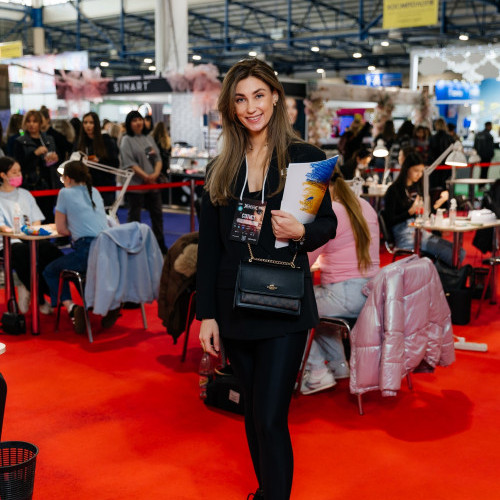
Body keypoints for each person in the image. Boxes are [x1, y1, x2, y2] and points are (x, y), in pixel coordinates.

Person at [196, 58, 337, 500]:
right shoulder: (221, 168)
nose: (251, 107)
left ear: (276, 97)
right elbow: (209, 248)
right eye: (240, 99)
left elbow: (328, 225)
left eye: (258, 95)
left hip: (284, 304)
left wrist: (302, 233)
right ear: (230, 107)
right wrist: (207, 315)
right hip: (234, 304)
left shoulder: (305, 160)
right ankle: (265, 492)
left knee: (272, 417)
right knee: (254, 415)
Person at [302, 167, 380, 394]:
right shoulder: (364, 205)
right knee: (316, 306)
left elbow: (306, 258)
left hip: (344, 295)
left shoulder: (332, 211)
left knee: (293, 307)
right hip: (370, 294)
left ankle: (317, 371)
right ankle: (339, 365)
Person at [42, 159, 108, 334]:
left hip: (86, 250)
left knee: (50, 271)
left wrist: (74, 228)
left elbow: (61, 229)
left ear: (68, 178)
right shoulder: (94, 191)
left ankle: (72, 308)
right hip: (106, 250)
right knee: (77, 270)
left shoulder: (65, 193)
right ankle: (102, 305)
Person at [0, 156, 62, 314]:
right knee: (23, 254)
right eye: (14, 172)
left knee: (49, 250)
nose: (18, 175)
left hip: (30, 237)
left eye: (19, 171)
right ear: (3, 175)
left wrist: (32, 231)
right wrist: (19, 233)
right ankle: (39, 297)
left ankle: (58, 292)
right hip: (8, 242)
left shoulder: (25, 194)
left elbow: (36, 219)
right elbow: (3, 227)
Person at [383, 151, 463, 267]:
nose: (419, 174)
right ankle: (445, 276)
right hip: (406, 236)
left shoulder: (417, 187)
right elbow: (389, 220)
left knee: (460, 252)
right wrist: (409, 212)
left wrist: (438, 203)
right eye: (416, 171)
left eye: (421, 171)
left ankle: (445, 275)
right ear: (407, 169)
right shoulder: (394, 190)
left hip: (421, 232)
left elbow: (425, 212)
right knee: (450, 254)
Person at [119, 110, 167, 254]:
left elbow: (157, 158)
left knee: (157, 215)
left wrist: (155, 174)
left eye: (139, 119)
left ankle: (160, 244)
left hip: (152, 184)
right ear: (129, 123)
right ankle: (133, 244)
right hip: (136, 185)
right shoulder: (126, 140)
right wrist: (146, 176)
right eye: (134, 120)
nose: (138, 123)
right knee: (134, 216)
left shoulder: (148, 138)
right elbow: (129, 163)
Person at [13, 110, 59, 222]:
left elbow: (57, 162)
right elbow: (18, 165)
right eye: (28, 121)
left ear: (40, 123)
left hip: (49, 183)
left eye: (35, 121)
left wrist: (55, 158)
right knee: (31, 216)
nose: (31, 124)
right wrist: (34, 154)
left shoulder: (49, 140)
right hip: (30, 184)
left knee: (48, 215)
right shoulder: (20, 141)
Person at [77, 111, 120, 206]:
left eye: (91, 123)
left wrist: (99, 161)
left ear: (96, 124)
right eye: (85, 122)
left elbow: (115, 163)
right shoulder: (80, 142)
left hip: (105, 185)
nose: (88, 125)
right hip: (85, 184)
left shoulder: (106, 140)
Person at [428, 117, 454, 190]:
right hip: (447, 167)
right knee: (446, 187)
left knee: (434, 189)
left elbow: (430, 153)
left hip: (435, 167)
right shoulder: (450, 138)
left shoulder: (432, 138)